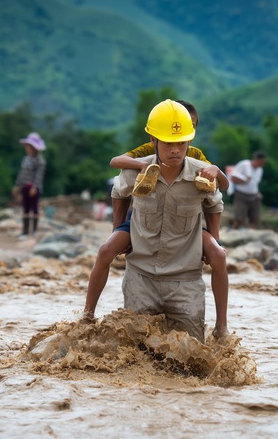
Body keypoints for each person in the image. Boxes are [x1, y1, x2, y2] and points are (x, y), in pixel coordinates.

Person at [84, 101, 229, 338]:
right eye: (169, 143)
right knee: (105, 250)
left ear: (189, 140)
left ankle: (221, 327)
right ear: (154, 141)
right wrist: (117, 229)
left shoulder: (201, 171)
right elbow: (119, 191)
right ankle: (87, 317)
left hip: (184, 277)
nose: (175, 150)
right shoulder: (137, 168)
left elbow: (216, 202)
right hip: (142, 273)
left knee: (192, 357)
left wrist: (214, 239)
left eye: (180, 143)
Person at [13, 132, 47, 236]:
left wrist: (35, 187)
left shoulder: (40, 161)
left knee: (34, 208)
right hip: (24, 187)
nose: (27, 148)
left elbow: (39, 175)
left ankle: (34, 230)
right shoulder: (26, 159)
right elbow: (22, 174)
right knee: (25, 208)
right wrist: (17, 186)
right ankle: (25, 230)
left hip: (33, 188)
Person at [230, 150, 267, 229]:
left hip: (254, 195)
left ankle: (250, 235)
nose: (262, 164)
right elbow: (233, 177)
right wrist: (244, 180)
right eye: (260, 162)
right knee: (239, 218)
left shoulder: (260, 170)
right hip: (241, 194)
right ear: (255, 159)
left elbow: (255, 183)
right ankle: (234, 232)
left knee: (254, 219)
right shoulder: (244, 165)